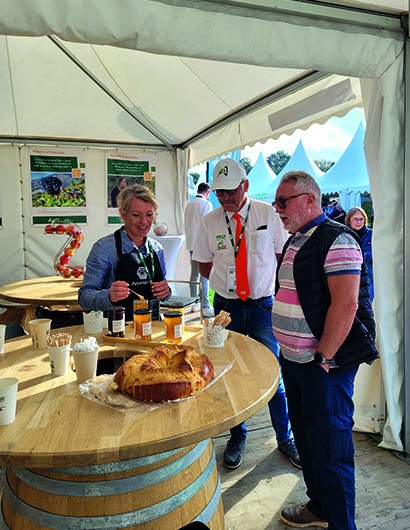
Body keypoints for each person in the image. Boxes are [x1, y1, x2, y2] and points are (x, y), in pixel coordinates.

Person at [271, 170, 379, 529]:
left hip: (323, 366)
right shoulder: (297, 239)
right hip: (296, 363)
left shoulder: (338, 239)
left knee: (331, 450)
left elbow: (346, 305)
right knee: (307, 440)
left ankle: (341, 524)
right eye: (277, 202)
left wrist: (323, 359)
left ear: (310, 200)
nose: (277, 209)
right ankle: (319, 507)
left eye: (283, 201)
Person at [193, 158, 300, 470]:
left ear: (246, 187)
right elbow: (204, 263)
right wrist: (228, 284)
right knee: (228, 373)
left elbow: (282, 256)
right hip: (226, 308)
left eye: (230, 192)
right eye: (219, 193)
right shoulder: (210, 221)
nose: (225, 199)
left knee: (273, 373)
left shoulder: (267, 214)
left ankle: (285, 436)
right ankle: (237, 435)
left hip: (264, 307)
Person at [79, 184, 171, 321]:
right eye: (136, 215)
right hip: (117, 329)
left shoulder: (157, 248)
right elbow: (84, 297)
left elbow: (163, 287)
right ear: (123, 214)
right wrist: (109, 295)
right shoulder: (104, 248)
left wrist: (166, 292)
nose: (144, 221)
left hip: (152, 326)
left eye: (149, 214)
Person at [184, 182, 214, 318]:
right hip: (202, 244)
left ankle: (193, 301)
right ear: (207, 193)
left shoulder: (189, 205)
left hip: (190, 243)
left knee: (194, 273)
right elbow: (208, 226)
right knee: (204, 275)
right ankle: (205, 305)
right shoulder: (206, 205)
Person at [346, 206, 374, 300]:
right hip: (351, 279)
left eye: (361, 219)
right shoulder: (344, 236)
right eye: (355, 219)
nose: (359, 222)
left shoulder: (372, 234)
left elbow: (379, 253)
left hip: (370, 278)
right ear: (349, 220)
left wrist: (362, 257)